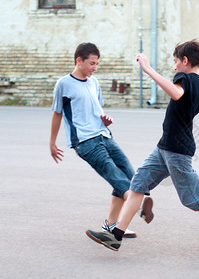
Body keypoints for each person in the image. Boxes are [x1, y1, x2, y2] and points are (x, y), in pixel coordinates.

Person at [85, 40, 199, 252]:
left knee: (194, 200)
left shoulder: (183, 78)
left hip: (177, 151)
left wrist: (148, 69)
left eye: (176, 61)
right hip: (164, 148)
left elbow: (176, 94)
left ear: (185, 61)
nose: (175, 66)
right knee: (138, 183)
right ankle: (116, 235)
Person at [49, 42, 154, 238]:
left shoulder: (93, 82)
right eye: (92, 63)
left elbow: (97, 110)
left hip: (104, 135)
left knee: (129, 174)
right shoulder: (64, 84)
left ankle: (111, 225)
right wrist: (52, 143)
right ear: (79, 61)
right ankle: (139, 209)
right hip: (85, 142)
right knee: (115, 175)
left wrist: (105, 120)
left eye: (97, 64)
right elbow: (57, 114)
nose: (94, 68)